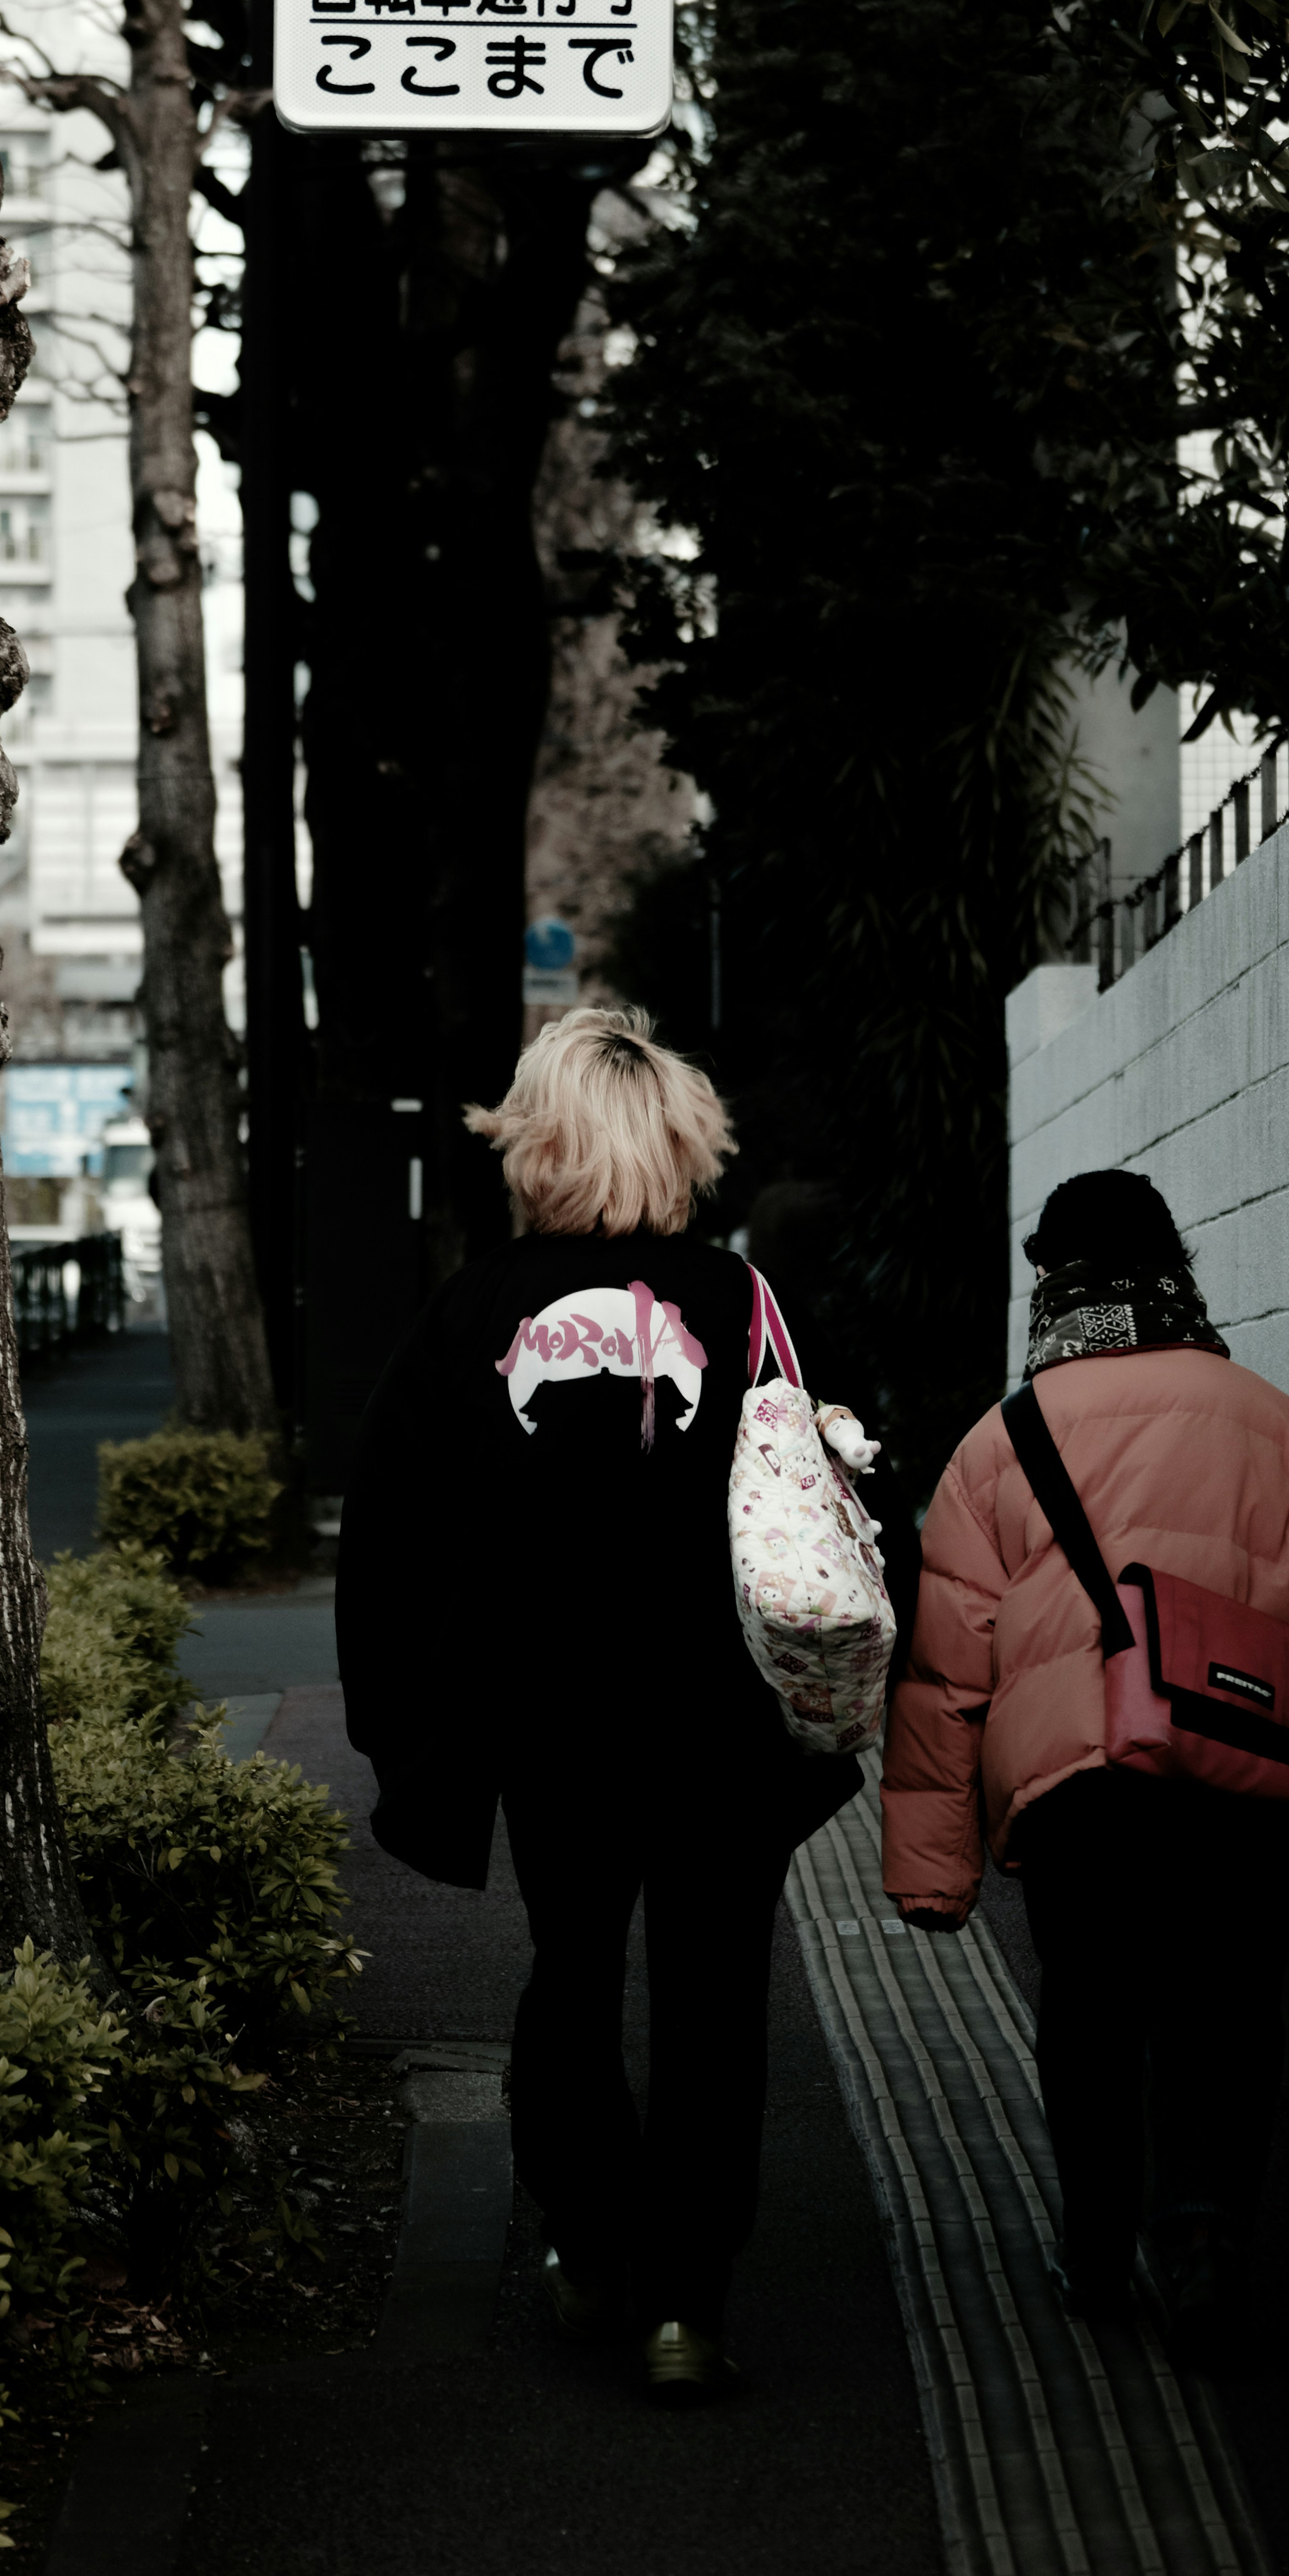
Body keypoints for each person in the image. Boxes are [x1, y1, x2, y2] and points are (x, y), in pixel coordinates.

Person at [336, 1006, 919, 2404]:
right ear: (682, 1145)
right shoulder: (749, 1307)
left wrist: (400, 1719)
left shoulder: (473, 1312)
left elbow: (392, 1531)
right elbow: (844, 1494)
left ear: (535, 1144)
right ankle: (690, 2308)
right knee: (717, 1991)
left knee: (574, 1963)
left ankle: (591, 2246)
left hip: (551, 1718)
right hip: (722, 1717)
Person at [880, 1167, 1289, 2349]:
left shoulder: (998, 1444)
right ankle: (1207, 2235)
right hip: (1251, 1779)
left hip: (1082, 1792)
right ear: (1178, 1269)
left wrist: (933, 1871)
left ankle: (1094, 2246)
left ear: (1052, 1285)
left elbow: (946, 1674)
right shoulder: (1276, 1424)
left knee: (1091, 2011)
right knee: (1228, 2007)